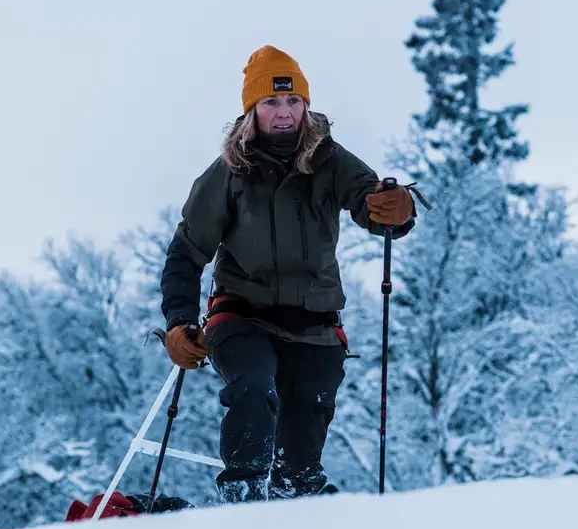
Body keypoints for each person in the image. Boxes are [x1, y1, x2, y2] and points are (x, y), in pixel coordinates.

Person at [160, 45, 415, 503]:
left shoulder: (330, 161)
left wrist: (396, 209)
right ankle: (244, 494)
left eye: (293, 100)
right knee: (253, 387)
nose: (284, 112)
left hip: (315, 324)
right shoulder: (227, 174)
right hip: (242, 316)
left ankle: (294, 505)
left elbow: (371, 202)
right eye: (271, 102)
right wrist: (179, 322)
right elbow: (186, 252)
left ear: (306, 105)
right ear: (251, 111)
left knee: (306, 427)